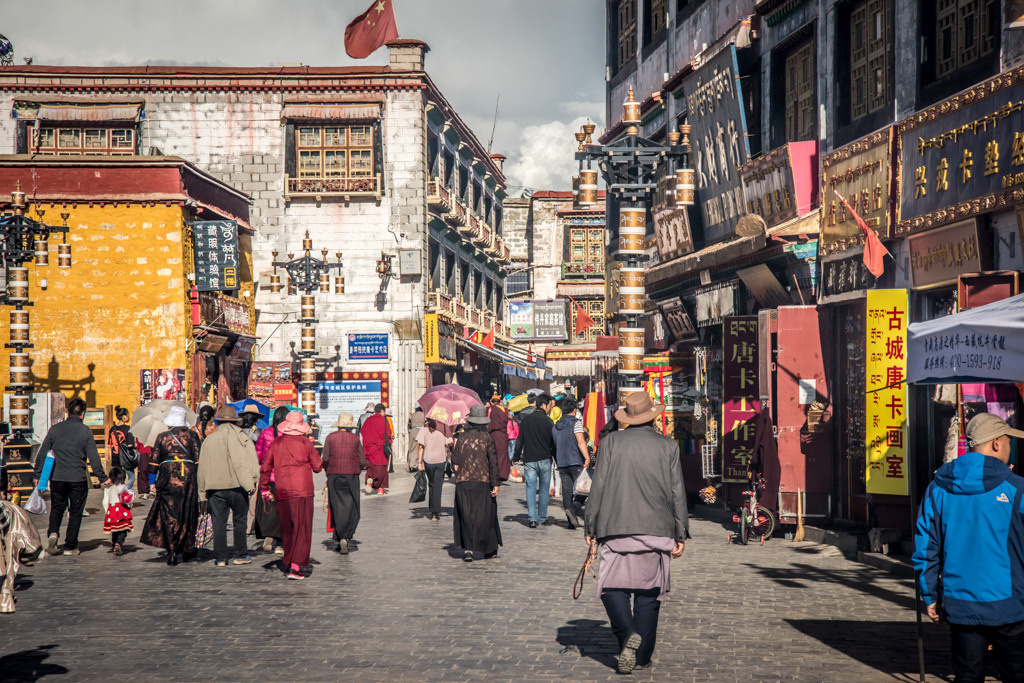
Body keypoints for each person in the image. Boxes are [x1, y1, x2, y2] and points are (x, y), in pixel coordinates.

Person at [914, 413, 1024, 681]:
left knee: (968, 675)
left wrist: (929, 595)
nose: (1010, 448)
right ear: (997, 443)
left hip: (961, 603)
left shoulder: (937, 488)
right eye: (1009, 441)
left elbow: (926, 546)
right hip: (1010, 604)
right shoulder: (1018, 489)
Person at [584, 391, 687, 674]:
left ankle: (627, 634)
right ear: (651, 416)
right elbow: (677, 492)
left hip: (615, 528)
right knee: (648, 595)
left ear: (627, 417)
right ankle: (641, 657)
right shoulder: (668, 447)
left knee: (611, 586)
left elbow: (599, 486)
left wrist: (590, 525)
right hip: (657, 529)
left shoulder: (611, 443)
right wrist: (680, 532)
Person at [34, 397, 110, 557]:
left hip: (57, 477)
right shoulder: (85, 431)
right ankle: (70, 546)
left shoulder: (55, 429)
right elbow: (94, 458)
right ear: (83, 414)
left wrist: (38, 474)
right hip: (77, 478)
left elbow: (43, 452)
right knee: (75, 511)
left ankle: (53, 534)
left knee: (57, 508)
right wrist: (103, 478)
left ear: (67, 412)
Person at [260, 412, 323, 580]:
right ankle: (295, 566)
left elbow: (265, 467)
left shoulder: (276, 444)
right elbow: (318, 467)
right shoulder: (306, 444)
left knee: (287, 529)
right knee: (301, 529)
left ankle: (288, 560)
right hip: (302, 492)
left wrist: (264, 489)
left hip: (282, 491)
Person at [197, 406, 259, 568]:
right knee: (240, 522)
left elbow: (202, 467)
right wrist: (251, 482)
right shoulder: (241, 437)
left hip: (216, 488)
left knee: (219, 523)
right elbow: (248, 462)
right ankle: (240, 554)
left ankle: (221, 558)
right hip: (238, 487)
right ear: (234, 420)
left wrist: (202, 492)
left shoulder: (210, 439)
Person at [140, 406, 203, 566]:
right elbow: (198, 460)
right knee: (187, 512)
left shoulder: (162, 437)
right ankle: (187, 546)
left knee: (168, 515)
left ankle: (172, 551)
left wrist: (152, 482)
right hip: (188, 477)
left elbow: (153, 462)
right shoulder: (193, 435)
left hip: (167, 477)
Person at [450, 405, 501, 562]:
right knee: (483, 516)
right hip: (482, 481)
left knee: (466, 515)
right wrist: (495, 483)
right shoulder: (487, 438)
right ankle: (487, 548)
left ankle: (468, 549)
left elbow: (455, 462)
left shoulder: (462, 438)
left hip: (463, 482)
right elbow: (493, 463)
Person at [322, 413, 365, 554]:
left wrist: (328, 470)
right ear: (350, 427)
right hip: (351, 475)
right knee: (351, 505)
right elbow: (362, 461)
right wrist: (356, 468)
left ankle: (339, 534)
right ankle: (345, 536)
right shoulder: (355, 439)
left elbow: (326, 458)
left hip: (334, 475)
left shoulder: (330, 438)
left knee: (336, 504)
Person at [514, 393, 556, 528]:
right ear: (543, 405)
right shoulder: (549, 422)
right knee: (544, 490)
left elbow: (520, 440)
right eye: (550, 405)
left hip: (530, 460)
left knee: (530, 489)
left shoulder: (526, 420)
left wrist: (515, 457)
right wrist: (556, 459)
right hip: (545, 459)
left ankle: (532, 518)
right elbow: (553, 444)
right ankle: (542, 517)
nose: (550, 408)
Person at [253, 406, 289, 555]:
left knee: (269, 508)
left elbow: (259, 455)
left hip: (268, 477)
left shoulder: (265, 433)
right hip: (286, 478)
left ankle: (269, 535)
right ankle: (280, 543)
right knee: (284, 510)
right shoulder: (290, 434)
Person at [552, 396, 590, 529]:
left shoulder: (556, 426)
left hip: (562, 462)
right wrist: (587, 457)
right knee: (583, 490)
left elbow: (555, 444)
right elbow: (581, 441)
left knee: (567, 491)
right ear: (574, 410)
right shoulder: (576, 423)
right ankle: (573, 509)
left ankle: (570, 521)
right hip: (575, 460)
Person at [417, 418, 452, 521]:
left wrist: (419, 462)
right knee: (437, 486)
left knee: (431, 484)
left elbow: (420, 447)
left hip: (428, 461)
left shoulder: (424, 428)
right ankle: (434, 513)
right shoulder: (445, 427)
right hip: (440, 460)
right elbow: (450, 443)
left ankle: (432, 508)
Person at [361, 403, 393, 495]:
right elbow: (388, 433)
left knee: (371, 467)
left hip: (369, 448)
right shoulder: (384, 420)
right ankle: (380, 489)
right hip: (380, 448)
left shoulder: (368, 420)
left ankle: (370, 482)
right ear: (382, 411)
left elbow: (363, 432)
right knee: (382, 468)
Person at [101, 466, 133, 556]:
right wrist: (130, 506)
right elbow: (128, 500)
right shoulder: (124, 488)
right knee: (123, 529)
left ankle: (114, 543)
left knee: (114, 530)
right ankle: (119, 543)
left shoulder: (109, 489)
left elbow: (105, 501)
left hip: (112, 510)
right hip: (122, 511)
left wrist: (107, 511)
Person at [107, 406, 140, 491]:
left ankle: (117, 494)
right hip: (125, 458)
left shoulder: (112, 429)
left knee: (118, 479)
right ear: (124, 416)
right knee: (132, 477)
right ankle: (124, 490)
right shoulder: (128, 429)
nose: (128, 417)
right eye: (128, 415)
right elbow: (130, 445)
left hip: (115, 457)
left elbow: (110, 444)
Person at [486, 395, 511, 482]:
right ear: (499, 401)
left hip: (491, 434)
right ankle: (501, 474)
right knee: (501, 455)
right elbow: (509, 417)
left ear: (491, 401)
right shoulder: (503, 409)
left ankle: (491, 473)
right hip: (502, 435)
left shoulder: (488, 409)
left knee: (491, 454)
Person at [406, 407, 426, 472]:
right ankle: (422, 465)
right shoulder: (424, 415)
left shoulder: (411, 415)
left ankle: (412, 465)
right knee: (423, 448)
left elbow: (409, 425)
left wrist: (410, 432)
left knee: (413, 448)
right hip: (422, 431)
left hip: (414, 431)